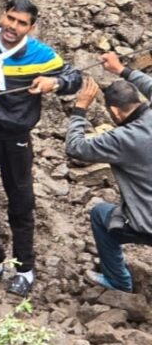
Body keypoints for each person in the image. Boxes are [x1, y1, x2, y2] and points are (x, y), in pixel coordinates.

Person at [0, 0, 82, 297]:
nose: (13, 27)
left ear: (31, 27)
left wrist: (52, 83)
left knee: (21, 202)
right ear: (1, 15)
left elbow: (74, 77)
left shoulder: (40, 55)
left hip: (17, 139)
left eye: (21, 23)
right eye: (10, 19)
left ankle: (24, 269)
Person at [65, 53, 152, 292]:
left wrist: (80, 110)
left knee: (100, 215)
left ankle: (117, 280)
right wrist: (122, 70)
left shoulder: (122, 138)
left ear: (114, 112)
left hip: (147, 225)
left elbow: (75, 147)